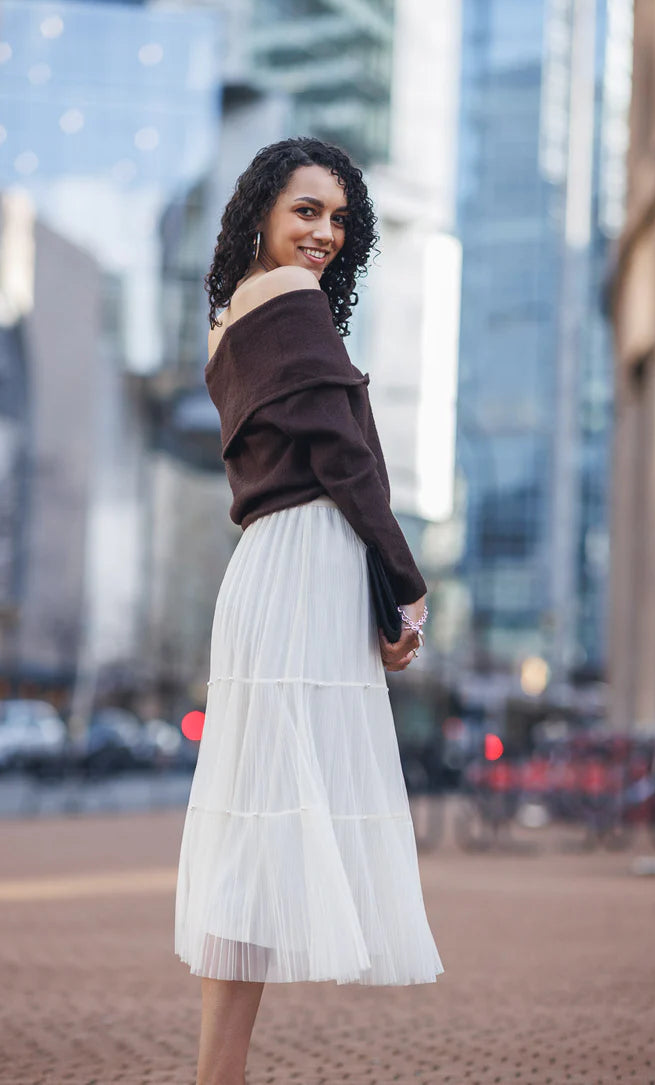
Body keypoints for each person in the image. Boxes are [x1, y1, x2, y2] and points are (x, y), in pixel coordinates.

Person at [175, 137, 444, 1085]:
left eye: (338, 218)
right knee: (265, 826)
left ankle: (220, 1071)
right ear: (260, 212)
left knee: (254, 828)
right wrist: (405, 581)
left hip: (271, 565)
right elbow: (341, 455)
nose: (325, 232)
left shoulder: (229, 319)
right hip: (302, 564)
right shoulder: (289, 297)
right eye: (305, 210)